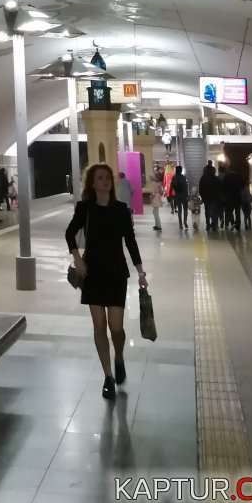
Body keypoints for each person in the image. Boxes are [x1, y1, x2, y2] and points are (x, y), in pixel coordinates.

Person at [66, 163, 148, 400]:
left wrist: (141, 272)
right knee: (99, 326)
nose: (105, 181)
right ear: (92, 183)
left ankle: (119, 357)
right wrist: (77, 258)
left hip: (115, 273)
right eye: (100, 178)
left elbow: (130, 241)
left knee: (116, 328)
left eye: (107, 178)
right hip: (92, 273)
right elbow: (70, 232)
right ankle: (108, 376)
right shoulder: (85, 208)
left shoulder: (120, 209)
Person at [199, 162, 219, 232]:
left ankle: (208, 224)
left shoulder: (203, 178)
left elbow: (201, 188)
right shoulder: (215, 178)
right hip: (214, 197)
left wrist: (202, 197)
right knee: (214, 212)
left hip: (206, 197)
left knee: (207, 211)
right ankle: (213, 225)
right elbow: (219, 188)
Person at [224, 165, 244, 231]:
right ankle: (238, 226)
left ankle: (232, 223)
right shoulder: (240, 177)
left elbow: (224, 187)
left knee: (229, 211)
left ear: (229, 169)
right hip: (238, 197)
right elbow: (243, 187)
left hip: (229, 197)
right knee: (237, 212)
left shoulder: (227, 177)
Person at [171, 165, 189, 229]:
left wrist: (170, 195)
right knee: (185, 209)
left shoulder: (174, 178)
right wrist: (187, 195)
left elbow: (171, 187)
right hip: (184, 195)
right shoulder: (183, 177)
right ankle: (185, 222)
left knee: (179, 210)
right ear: (181, 171)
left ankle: (180, 224)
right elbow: (186, 187)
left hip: (177, 195)